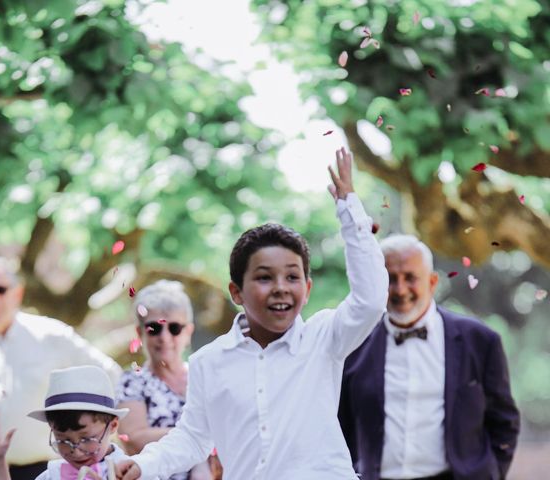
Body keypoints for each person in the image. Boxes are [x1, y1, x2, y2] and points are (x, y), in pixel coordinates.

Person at [115, 147, 389, 479]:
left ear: (308, 290)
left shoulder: (323, 339)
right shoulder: (208, 362)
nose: (280, 287)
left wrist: (350, 210)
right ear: (236, 292)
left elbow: (371, 300)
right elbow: (192, 438)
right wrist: (144, 465)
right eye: (264, 277)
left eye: (292, 276)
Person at [338, 234, 520, 480]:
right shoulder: (354, 343)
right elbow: (339, 424)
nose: (400, 289)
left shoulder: (480, 341)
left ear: (432, 282)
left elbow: (504, 422)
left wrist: (491, 474)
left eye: (410, 277)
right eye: (390, 279)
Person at [0, 256, 123, 480]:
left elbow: (112, 375)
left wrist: (105, 435)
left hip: (42, 469)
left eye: (0, 289)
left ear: (17, 293)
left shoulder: (53, 335)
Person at [115, 280, 216, 480]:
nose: (165, 337)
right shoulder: (132, 382)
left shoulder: (204, 377)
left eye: (175, 328)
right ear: (140, 332)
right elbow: (133, 438)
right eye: (154, 328)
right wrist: (199, 436)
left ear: (188, 332)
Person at [0, 365, 131, 480]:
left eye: (86, 438)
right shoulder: (52, 475)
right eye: (63, 440)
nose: (76, 452)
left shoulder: (134, 471)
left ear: (113, 426)